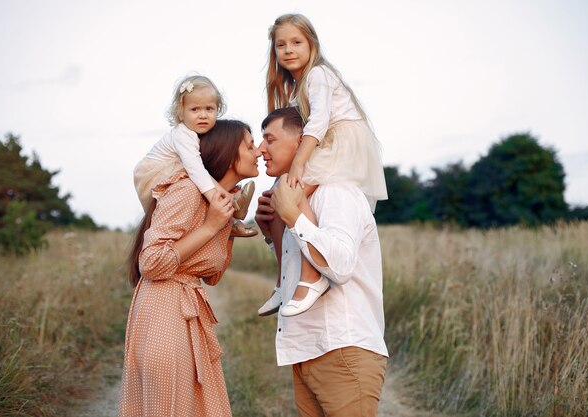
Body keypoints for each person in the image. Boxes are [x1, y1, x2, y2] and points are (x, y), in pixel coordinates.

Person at [119, 119, 261, 417]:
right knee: (168, 406)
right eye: (250, 146)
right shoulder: (185, 190)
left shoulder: (217, 200)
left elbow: (212, 275)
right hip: (163, 309)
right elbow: (151, 263)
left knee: (193, 406)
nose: (258, 152)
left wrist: (226, 227)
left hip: (186, 309)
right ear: (227, 152)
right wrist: (210, 227)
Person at [255, 107, 388, 416]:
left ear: (303, 142)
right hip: (310, 351)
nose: (262, 149)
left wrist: (291, 216)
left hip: (342, 348)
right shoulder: (299, 196)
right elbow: (303, 267)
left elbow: (339, 265)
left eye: (270, 139)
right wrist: (272, 234)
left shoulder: (335, 192)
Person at [259, 13, 387, 317]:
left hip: (340, 142)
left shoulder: (318, 75)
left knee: (294, 190)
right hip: (323, 141)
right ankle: (282, 282)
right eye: (281, 45)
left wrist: (299, 164)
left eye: (296, 42)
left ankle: (313, 277)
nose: (288, 49)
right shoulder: (296, 86)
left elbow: (317, 123)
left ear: (311, 44)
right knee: (278, 199)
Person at [133, 74, 257, 238]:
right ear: (181, 114)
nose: (203, 115)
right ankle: (229, 208)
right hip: (153, 172)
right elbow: (196, 170)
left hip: (181, 168)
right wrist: (215, 197)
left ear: (217, 109)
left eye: (209, 109)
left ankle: (229, 212)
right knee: (197, 183)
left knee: (200, 180)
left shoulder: (195, 134)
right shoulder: (183, 135)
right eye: (194, 109)